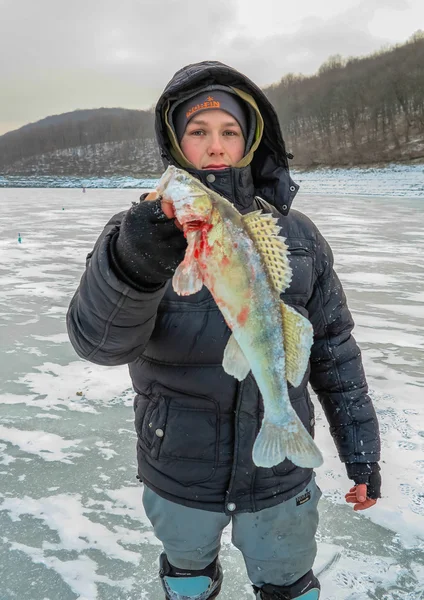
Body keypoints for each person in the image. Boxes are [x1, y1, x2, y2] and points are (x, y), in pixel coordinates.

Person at [66, 61, 381, 600]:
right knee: (188, 580)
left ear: (250, 140)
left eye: (229, 131)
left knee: (288, 584)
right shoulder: (138, 232)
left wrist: (361, 452)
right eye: (198, 131)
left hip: (280, 475)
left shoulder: (298, 235)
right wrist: (134, 265)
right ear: (175, 142)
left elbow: (334, 351)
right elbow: (99, 342)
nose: (215, 146)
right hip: (179, 468)